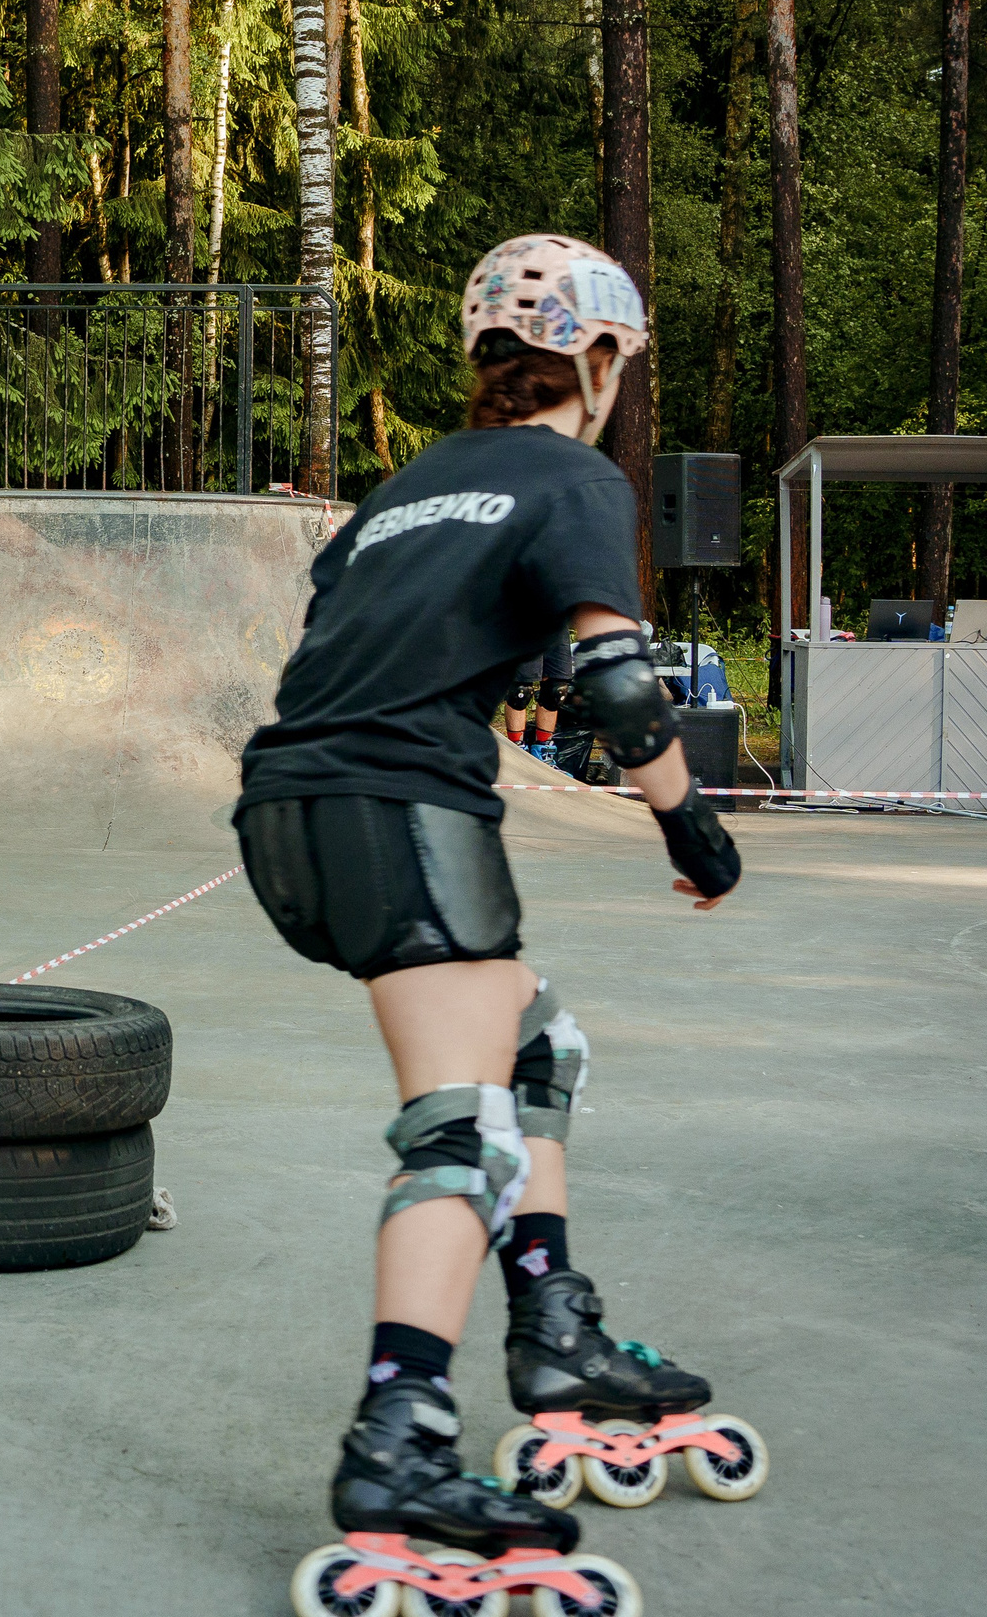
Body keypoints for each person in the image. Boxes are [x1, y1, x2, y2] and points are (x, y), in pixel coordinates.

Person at [237, 236, 748, 1612]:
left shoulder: (405, 489)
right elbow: (622, 689)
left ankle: (558, 1334)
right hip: (401, 814)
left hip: (294, 809)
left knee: (538, 1052)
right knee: (468, 1134)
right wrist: (695, 830)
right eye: (622, 365)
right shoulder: (579, 475)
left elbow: (347, 635)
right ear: (597, 358)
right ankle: (400, 1440)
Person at [502, 632, 570, 764]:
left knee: (556, 691)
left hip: (556, 619)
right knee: (521, 690)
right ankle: (517, 756)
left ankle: (545, 755)